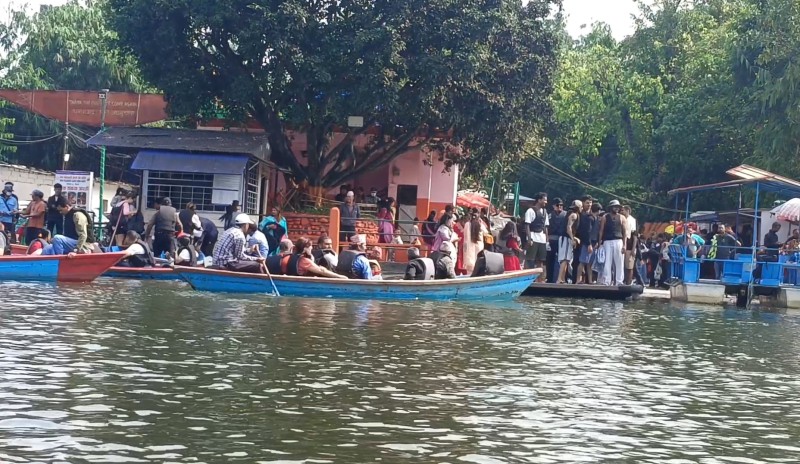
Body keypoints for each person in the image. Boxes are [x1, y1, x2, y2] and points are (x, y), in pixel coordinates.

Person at [278, 237, 348, 278]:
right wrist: (342, 277)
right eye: (310, 246)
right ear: (305, 248)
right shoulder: (304, 260)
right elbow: (322, 271)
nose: (311, 248)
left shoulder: (291, 256)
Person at [598, 199, 627, 286]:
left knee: (619, 261)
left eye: (618, 207)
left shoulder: (622, 217)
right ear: (611, 207)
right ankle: (606, 281)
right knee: (607, 262)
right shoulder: (605, 217)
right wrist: (600, 242)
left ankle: (619, 281)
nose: (617, 208)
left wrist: (624, 245)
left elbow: (625, 232)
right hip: (607, 241)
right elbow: (601, 231)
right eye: (615, 207)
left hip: (618, 241)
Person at [523, 193, 549, 282]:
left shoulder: (545, 212)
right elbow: (527, 225)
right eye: (544, 200)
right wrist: (529, 238)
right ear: (539, 200)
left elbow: (545, 227)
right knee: (530, 259)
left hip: (542, 238)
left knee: (541, 260)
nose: (546, 202)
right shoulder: (531, 211)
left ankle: (540, 279)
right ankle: (528, 278)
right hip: (533, 236)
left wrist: (547, 239)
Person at [557, 200, 581, 284]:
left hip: (565, 238)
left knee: (567, 259)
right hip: (566, 238)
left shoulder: (570, 213)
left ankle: (562, 278)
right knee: (565, 259)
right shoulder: (574, 215)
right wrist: (573, 238)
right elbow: (568, 228)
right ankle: (559, 278)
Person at [576, 198, 598, 284]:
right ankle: (578, 280)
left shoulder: (593, 216)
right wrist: (588, 244)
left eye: (590, 203)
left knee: (589, 263)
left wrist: (596, 242)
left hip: (593, 242)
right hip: (586, 242)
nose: (589, 204)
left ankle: (590, 280)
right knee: (582, 261)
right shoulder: (586, 216)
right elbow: (587, 231)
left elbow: (595, 231)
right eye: (587, 203)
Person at [622, 205, 638, 285]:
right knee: (624, 266)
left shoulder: (632, 220)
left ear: (627, 210)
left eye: (623, 210)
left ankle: (628, 282)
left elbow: (635, 236)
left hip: (630, 246)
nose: (622, 212)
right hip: (623, 246)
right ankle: (624, 281)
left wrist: (633, 249)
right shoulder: (622, 219)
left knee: (629, 266)